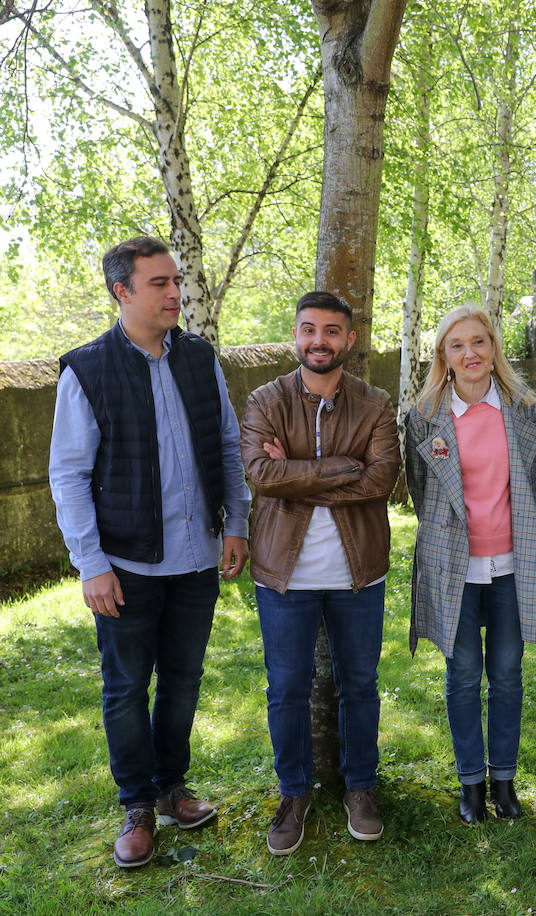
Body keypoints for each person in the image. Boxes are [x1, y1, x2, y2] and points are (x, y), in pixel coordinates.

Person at [49, 236, 251, 868]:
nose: (175, 293)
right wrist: (93, 564)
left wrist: (237, 523)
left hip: (198, 557)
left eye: (176, 282)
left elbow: (226, 444)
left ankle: (171, 789)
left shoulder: (200, 359)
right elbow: (69, 475)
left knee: (184, 681)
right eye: (160, 284)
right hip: (127, 565)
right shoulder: (86, 369)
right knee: (126, 686)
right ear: (123, 292)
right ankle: (137, 805)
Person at [240, 291, 402, 856]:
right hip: (283, 574)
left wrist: (297, 471)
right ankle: (294, 794)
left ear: (349, 339)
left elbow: (383, 479)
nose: (319, 341)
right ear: (295, 334)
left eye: (331, 331)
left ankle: (361, 787)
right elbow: (260, 473)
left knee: (359, 685)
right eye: (309, 329)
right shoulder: (265, 398)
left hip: (358, 572)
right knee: (286, 688)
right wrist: (339, 467)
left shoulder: (376, 403)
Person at [405, 306, 536, 824]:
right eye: (458, 345)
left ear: (493, 349)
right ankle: (470, 784)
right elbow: (418, 488)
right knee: (464, 673)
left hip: (512, 562)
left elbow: (526, 483)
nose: (470, 353)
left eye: (479, 342)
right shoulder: (424, 415)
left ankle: (504, 781)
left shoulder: (521, 407)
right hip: (454, 563)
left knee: (507, 671)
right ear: (443, 357)